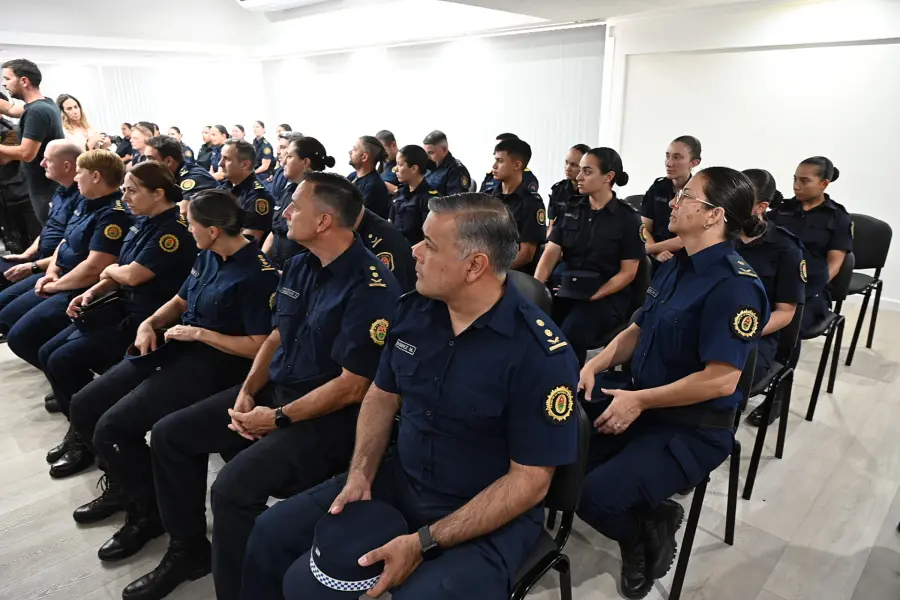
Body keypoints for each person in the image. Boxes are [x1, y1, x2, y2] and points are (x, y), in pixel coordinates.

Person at [242, 192, 580, 600]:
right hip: (403, 478)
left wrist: (424, 541)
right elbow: (382, 395)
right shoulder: (414, 310)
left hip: (488, 510)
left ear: (475, 266)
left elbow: (530, 481)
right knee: (270, 534)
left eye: (430, 245)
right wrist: (361, 473)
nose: (414, 251)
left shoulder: (540, 354)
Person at [126, 172, 403, 600]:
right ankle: (189, 551)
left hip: (328, 419)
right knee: (170, 436)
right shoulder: (300, 264)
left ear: (324, 221)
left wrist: (276, 418)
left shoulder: (371, 287)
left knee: (230, 490)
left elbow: (351, 387)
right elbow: (276, 336)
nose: (284, 211)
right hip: (279, 393)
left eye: (295, 206)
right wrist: (248, 389)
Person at [576, 167, 769, 599]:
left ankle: (646, 531)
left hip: (692, 427)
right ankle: (644, 507)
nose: (673, 201)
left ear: (714, 215)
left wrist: (640, 401)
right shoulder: (675, 264)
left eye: (686, 197)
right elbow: (637, 329)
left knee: (593, 496)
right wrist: (595, 365)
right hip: (641, 399)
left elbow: (721, 381)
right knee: (562, 453)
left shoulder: (736, 287)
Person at [65, 189, 279, 567]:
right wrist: (150, 323)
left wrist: (199, 334)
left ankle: (148, 514)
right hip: (176, 346)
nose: (187, 229)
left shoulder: (257, 275)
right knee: (85, 405)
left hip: (215, 365)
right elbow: (181, 301)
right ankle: (130, 488)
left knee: (114, 428)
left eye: (191, 224)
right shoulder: (208, 254)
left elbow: (259, 346)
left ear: (213, 230)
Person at [40, 161, 198, 478]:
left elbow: (133, 275)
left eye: (132, 191)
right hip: (120, 308)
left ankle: (89, 438)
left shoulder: (172, 231)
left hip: (147, 322)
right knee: (49, 354)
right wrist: (93, 291)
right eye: (124, 190)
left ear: (158, 193)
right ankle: (82, 431)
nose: (125, 197)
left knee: (63, 360)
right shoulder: (141, 223)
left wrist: (110, 270)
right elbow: (119, 272)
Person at [0, 150, 132, 371]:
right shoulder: (86, 202)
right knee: (10, 319)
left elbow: (94, 268)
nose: (76, 177)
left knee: (22, 337)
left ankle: (74, 378)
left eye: (79, 172)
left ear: (96, 176)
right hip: (61, 277)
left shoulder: (113, 214)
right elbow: (65, 241)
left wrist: (55, 285)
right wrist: (51, 272)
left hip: (80, 287)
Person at [534, 148, 644, 366]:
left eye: (587, 171)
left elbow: (628, 273)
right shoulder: (572, 209)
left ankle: (569, 382)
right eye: (580, 170)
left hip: (605, 296)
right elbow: (550, 253)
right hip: (569, 289)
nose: (578, 177)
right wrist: (535, 290)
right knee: (537, 326)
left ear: (608, 177)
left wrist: (595, 295)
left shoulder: (627, 218)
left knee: (569, 333)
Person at [736, 169, 804, 427]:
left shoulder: (785, 248)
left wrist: (742, 333)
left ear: (761, 207)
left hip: (755, 338)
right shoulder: (718, 235)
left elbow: (786, 312)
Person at [768, 156, 851, 335]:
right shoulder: (783, 209)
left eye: (804, 181)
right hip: (773, 281)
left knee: (787, 325)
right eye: (795, 179)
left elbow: (834, 265)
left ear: (824, 184)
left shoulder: (837, 217)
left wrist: (803, 289)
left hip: (811, 288)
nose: (796, 186)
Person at [0, 141, 81, 297]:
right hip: (41, 260)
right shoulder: (60, 191)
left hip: (58, 268)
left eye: (48, 160)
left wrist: (34, 266)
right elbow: (49, 229)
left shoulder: (84, 198)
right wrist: (26, 255)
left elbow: (73, 248)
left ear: (66, 166)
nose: (42, 164)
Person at [0, 59, 65, 223]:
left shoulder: (37, 111)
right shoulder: (44, 103)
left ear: (24, 81)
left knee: (53, 232)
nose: (3, 84)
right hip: (46, 187)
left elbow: (26, 153)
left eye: (7, 79)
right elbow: (11, 109)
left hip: (46, 190)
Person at [262, 135, 333, 269]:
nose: (284, 162)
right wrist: (262, 260)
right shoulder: (289, 190)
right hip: (276, 267)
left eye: (289, 156)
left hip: (300, 271)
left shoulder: (319, 196)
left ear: (305, 162)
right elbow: (275, 231)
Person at [640, 135, 702, 272]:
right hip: (654, 257)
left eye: (677, 157)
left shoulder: (700, 193)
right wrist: (655, 253)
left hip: (685, 258)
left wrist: (648, 249)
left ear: (694, 163)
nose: (669, 163)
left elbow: (686, 239)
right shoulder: (657, 188)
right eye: (667, 156)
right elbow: (643, 227)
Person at [487, 138, 546, 272]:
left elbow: (526, 254)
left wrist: (495, 273)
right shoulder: (488, 198)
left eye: (500, 161)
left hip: (513, 273)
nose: (494, 166)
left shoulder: (531, 203)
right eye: (495, 160)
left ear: (517, 165)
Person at [0, 97, 42, 252]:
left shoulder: (12, 129)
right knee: (14, 243)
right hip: (4, 197)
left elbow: (4, 158)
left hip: (20, 193)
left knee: (34, 239)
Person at [144, 135, 217, 215]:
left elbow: (182, 211)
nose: (145, 163)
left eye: (150, 158)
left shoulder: (195, 176)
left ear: (168, 161)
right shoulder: (165, 176)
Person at [218, 139, 275, 242]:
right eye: (221, 157)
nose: (220, 163)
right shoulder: (224, 187)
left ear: (244, 164)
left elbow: (248, 243)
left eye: (227, 159)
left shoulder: (258, 197)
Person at [388, 144, 438, 246]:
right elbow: (390, 224)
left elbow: (430, 238)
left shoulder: (430, 199)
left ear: (414, 168)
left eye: (400, 165)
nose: (395, 169)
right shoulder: (399, 194)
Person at [547, 143, 590, 236]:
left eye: (574, 165)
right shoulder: (558, 190)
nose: (568, 168)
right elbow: (551, 226)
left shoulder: (592, 193)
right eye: (566, 162)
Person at [348, 135, 391, 220]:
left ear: (364, 157)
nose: (350, 152)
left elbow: (355, 218)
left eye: (354, 149)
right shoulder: (352, 176)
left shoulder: (373, 186)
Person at [423, 130, 471, 195]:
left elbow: (456, 200)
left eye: (431, 153)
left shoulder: (456, 170)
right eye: (425, 153)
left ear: (444, 150)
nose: (427, 157)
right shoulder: (426, 165)